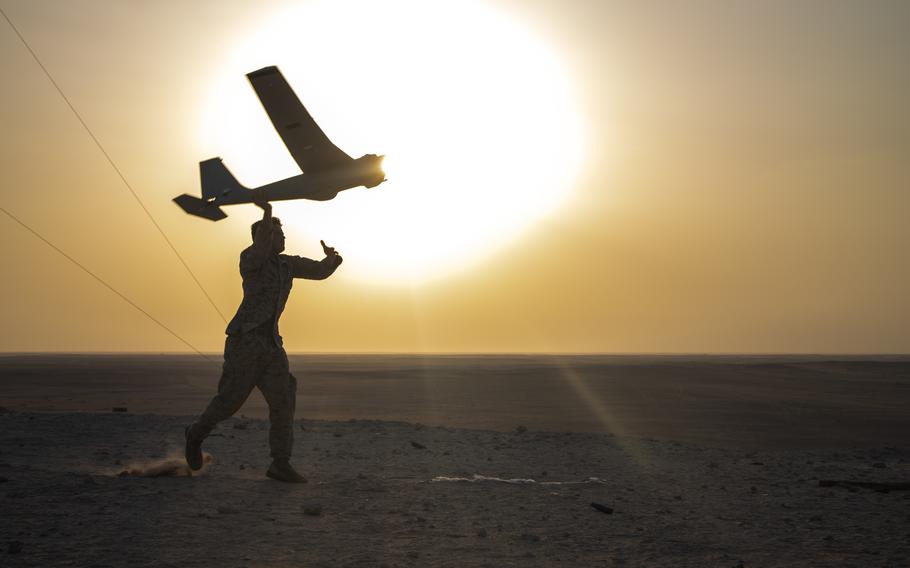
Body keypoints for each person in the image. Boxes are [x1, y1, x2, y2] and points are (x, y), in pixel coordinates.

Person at [185, 192, 343, 482]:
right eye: (275, 233)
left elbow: (320, 272)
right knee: (229, 402)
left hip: (270, 346)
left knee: (283, 401)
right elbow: (259, 248)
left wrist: (332, 258)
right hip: (245, 342)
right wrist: (267, 213)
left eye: (281, 233)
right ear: (264, 236)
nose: (281, 238)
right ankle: (195, 435)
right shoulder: (251, 260)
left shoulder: (286, 265)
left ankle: (280, 463)